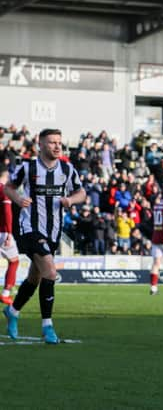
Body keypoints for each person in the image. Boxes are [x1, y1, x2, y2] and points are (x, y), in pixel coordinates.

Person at [3, 129, 85, 343]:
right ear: (41, 145)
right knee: (50, 272)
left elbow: (81, 192)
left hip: (53, 231)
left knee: (35, 277)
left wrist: (71, 200)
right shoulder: (28, 167)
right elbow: (8, 188)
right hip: (30, 228)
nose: (57, 146)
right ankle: (47, 326)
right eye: (52, 143)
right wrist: (19, 199)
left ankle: (13, 311)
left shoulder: (67, 169)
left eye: (59, 142)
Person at [0, 166, 20, 305]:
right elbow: (7, 212)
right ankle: (6, 293)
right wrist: (9, 233)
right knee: (14, 261)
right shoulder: (4, 190)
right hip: (2, 231)